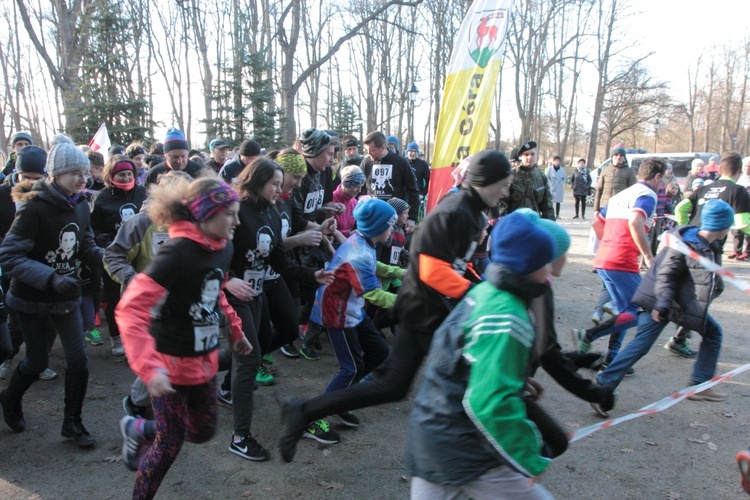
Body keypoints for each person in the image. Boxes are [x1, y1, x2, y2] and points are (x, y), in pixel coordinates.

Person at [278, 149, 514, 463]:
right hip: (426, 309)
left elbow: (454, 265)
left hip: (427, 307)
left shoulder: (473, 212)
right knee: (471, 374)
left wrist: (478, 285)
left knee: (393, 384)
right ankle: (484, 454)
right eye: (504, 183)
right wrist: (479, 296)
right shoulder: (456, 211)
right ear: (486, 181)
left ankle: (304, 410)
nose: (506, 191)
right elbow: (431, 270)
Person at [115, 178, 252, 497]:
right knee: (169, 445)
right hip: (169, 368)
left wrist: (234, 328)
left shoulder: (224, 246)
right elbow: (130, 310)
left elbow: (214, 291)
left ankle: (138, 427)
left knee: (204, 431)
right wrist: (150, 369)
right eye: (230, 213)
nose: (237, 221)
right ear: (205, 214)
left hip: (203, 362)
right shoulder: (176, 254)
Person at [405, 212, 557, 499]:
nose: (550, 268)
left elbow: (460, 356)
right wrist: (529, 457)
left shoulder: (486, 292)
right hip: (466, 445)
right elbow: (489, 402)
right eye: (544, 261)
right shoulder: (507, 315)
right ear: (527, 266)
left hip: (434, 428)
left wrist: (513, 378)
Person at [0, 134, 102, 447]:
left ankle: (72, 423)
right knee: (37, 360)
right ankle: (11, 398)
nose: (81, 179)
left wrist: (109, 259)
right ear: (55, 174)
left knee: (78, 360)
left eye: (85, 174)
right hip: (31, 299)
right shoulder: (33, 207)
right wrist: (49, 278)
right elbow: (10, 256)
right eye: (75, 173)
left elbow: (85, 243)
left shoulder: (82, 204)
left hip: (66, 297)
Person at [591, 199, 735, 417]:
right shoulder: (686, 243)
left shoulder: (709, 244)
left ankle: (603, 384)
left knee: (642, 344)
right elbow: (667, 275)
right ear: (721, 226)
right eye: (728, 225)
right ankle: (700, 384)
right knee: (712, 333)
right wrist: (661, 305)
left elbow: (709, 274)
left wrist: (717, 287)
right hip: (663, 301)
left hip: (675, 302)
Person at [306, 198, 401, 439]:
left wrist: (402, 272)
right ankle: (312, 418)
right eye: (391, 225)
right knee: (351, 367)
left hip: (352, 310)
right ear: (380, 226)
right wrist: (409, 302)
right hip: (337, 314)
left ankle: (341, 400)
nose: (393, 230)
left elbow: (375, 266)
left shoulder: (363, 241)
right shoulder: (358, 253)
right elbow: (373, 294)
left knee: (380, 352)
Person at [571, 158, 665, 368]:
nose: (662, 184)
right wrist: (648, 257)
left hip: (605, 258)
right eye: (663, 178)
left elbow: (596, 222)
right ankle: (587, 336)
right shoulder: (647, 195)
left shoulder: (621, 195)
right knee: (636, 312)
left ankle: (612, 357)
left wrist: (609, 243)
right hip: (621, 260)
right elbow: (635, 221)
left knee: (625, 311)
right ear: (657, 176)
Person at [90, 155, 148, 355]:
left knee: (139, 297)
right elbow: (93, 228)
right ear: (111, 176)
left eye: (128, 174)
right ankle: (116, 337)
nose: (125, 178)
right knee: (115, 297)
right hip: (115, 255)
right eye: (120, 174)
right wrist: (105, 241)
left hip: (141, 254)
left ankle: (138, 337)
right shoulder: (102, 198)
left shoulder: (143, 193)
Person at [360, 131, 420, 232]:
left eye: (372, 150)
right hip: (373, 218)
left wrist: (412, 217)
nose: (369, 153)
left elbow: (413, 190)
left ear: (382, 148)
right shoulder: (366, 163)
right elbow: (360, 187)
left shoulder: (400, 162)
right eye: (366, 150)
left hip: (395, 220)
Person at [504, 140, 555, 220]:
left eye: (532, 154)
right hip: (514, 224)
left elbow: (547, 205)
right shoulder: (511, 176)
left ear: (536, 155)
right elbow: (503, 204)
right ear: (520, 156)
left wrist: (551, 227)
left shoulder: (541, 177)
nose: (530, 157)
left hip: (534, 224)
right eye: (526, 154)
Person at [593, 146, 637, 214]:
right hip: (604, 207)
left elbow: (633, 191)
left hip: (621, 207)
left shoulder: (630, 171)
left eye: (621, 155)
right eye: (616, 155)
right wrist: (596, 209)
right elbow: (599, 190)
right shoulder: (605, 170)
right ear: (612, 157)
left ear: (624, 158)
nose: (618, 157)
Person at [331, 166, 364, 237]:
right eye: (356, 186)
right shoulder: (331, 201)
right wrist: (348, 234)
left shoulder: (355, 203)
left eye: (361, 186)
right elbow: (326, 230)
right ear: (346, 184)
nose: (359, 190)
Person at [729, 156, 750, 260]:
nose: (747, 168)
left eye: (749, 166)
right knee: (736, 231)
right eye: (745, 166)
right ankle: (737, 251)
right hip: (738, 207)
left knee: (747, 230)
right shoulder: (738, 178)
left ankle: (747, 251)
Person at [545, 155, 567, 219]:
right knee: (551, 201)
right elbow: (547, 177)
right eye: (555, 161)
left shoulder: (562, 169)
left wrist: (561, 183)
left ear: (559, 162)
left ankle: (557, 214)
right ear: (553, 161)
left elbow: (564, 178)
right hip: (552, 186)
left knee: (558, 202)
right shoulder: (549, 169)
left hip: (559, 187)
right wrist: (551, 184)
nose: (556, 162)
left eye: (558, 161)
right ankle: (551, 215)